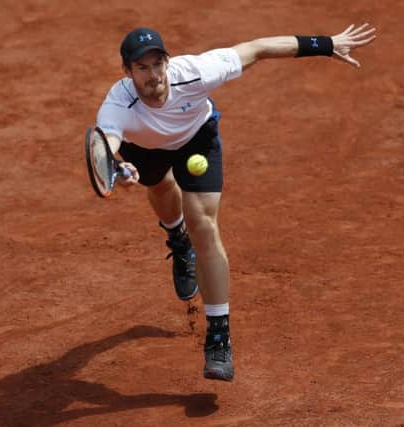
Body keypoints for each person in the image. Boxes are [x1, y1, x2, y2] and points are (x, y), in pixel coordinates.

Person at [94, 23, 376, 381]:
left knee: (204, 223)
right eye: (142, 68)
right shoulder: (118, 103)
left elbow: (257, 48)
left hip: (197, 139)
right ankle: (178, 242)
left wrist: (326, 44)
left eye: (158, 63)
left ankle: (218, 336)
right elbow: (107, 144)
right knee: (163, 189)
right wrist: (120, 167)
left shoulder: (195, 72)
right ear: (128, 72)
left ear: (168, 61)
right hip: (145, 150)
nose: (154, 75)